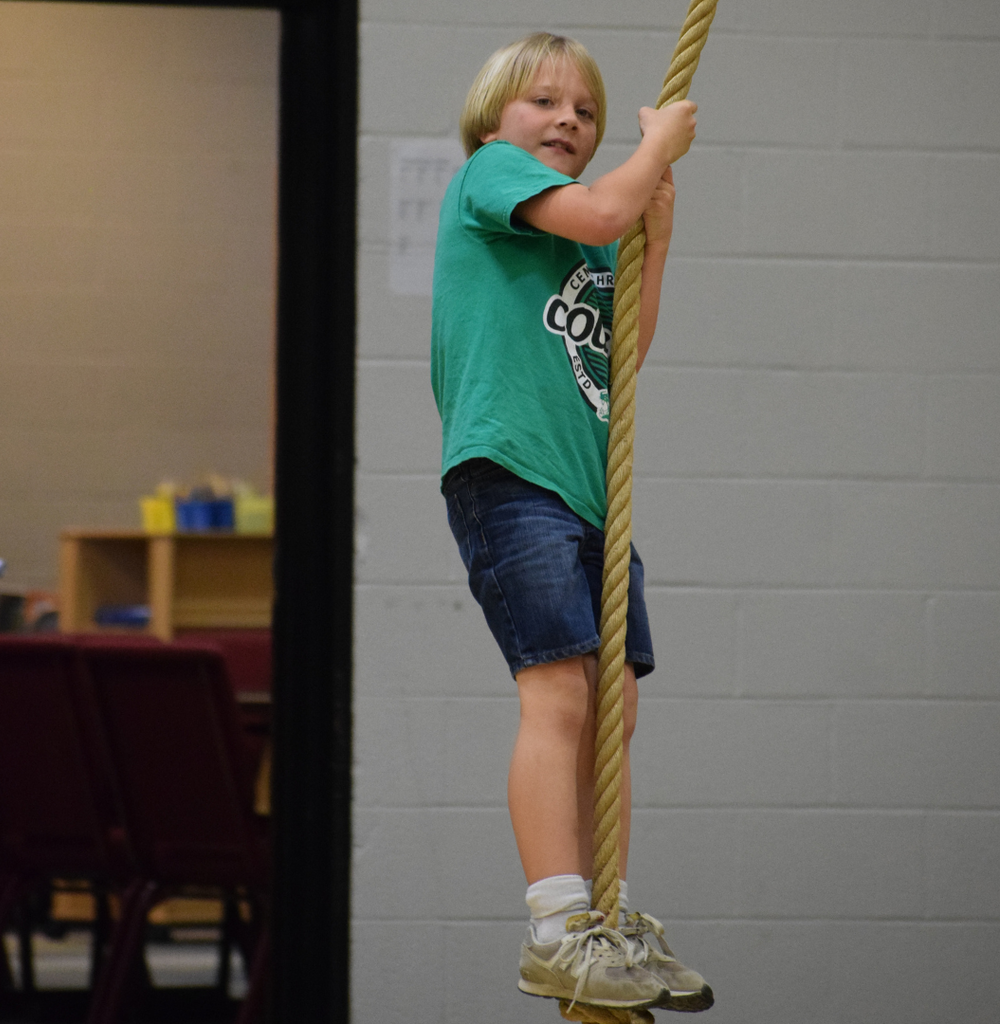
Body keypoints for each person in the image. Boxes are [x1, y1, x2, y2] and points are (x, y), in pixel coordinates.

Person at [431, 32, 713, 1013]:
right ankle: (558, 923)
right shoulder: (491, 176)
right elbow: (598, 206)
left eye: (585, 112)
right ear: (492, 120)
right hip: (512, 476)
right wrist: (656, 148)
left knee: (614, 707)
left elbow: (621, 352)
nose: (567, 121)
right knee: (557, 692)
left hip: (586, 492)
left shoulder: (592, 228)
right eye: (543, 102)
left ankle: (608, 913)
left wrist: (657, 236)